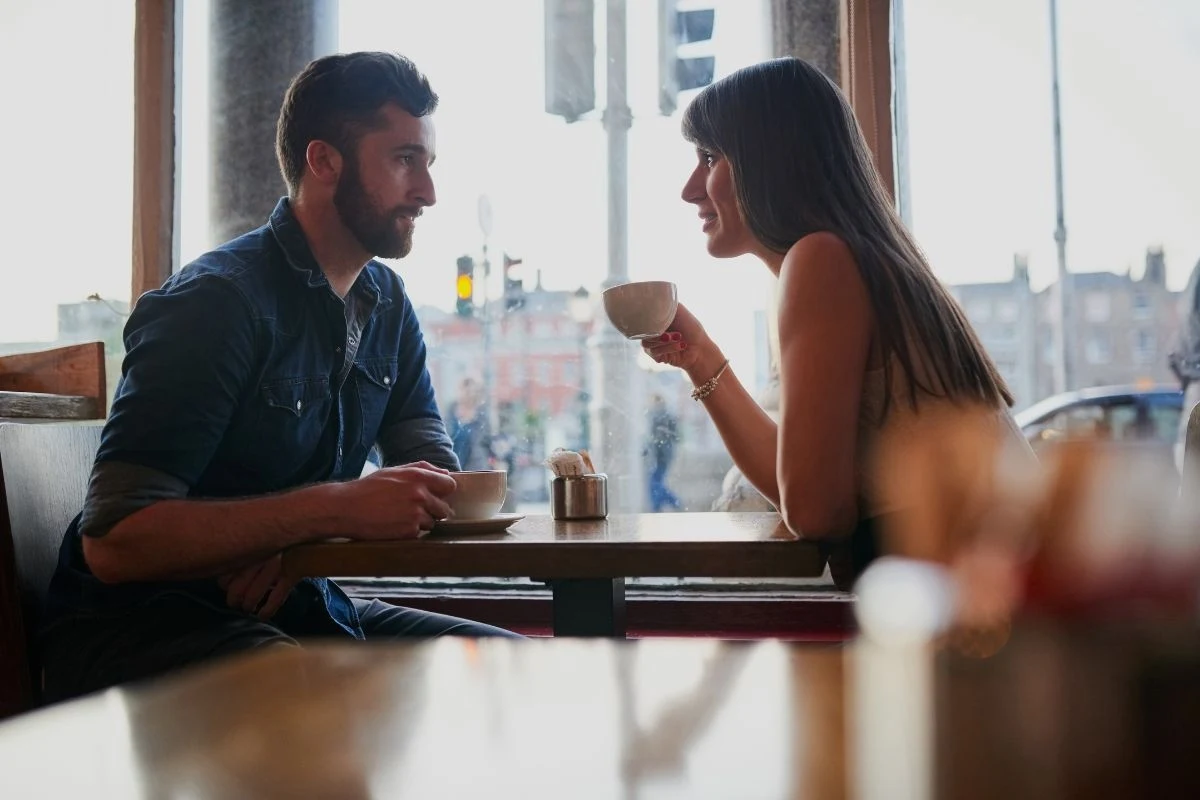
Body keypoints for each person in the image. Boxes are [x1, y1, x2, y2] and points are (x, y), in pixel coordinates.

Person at [40, 51, 518, 703]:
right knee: (310, 693)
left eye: (428, 164)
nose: (428, 192)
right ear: (324, 162)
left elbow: (429, 470)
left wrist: (300, 542)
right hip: (140, 631)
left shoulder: (388, 304)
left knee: (519, 671)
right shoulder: (216, 304)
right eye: (405, 160)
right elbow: (116, 543)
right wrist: (330, 510)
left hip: (297, 606)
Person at [641, 58, 1033, 589]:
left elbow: (817, 512)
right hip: (993, 601)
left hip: (981, 616)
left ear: (770, 160)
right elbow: (805, 487)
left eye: (709, 157)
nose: (690, 189)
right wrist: (699, 357)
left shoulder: (821, 261)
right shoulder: (851, 258)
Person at [446, 376, 493, 471]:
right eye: (465, 388)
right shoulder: (451, 410)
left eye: (472, 389)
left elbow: (487, 443)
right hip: (452, 465)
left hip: (475, 468)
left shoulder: (482, 414)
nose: (468, 392)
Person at [646, 394, 683, 511]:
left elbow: (672, 436)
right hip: (661, 455)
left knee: (655, 483)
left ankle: (670, 502)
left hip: (662, 455)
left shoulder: (661, 417)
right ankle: (660, 505)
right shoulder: (660, 416)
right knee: (655, 482)